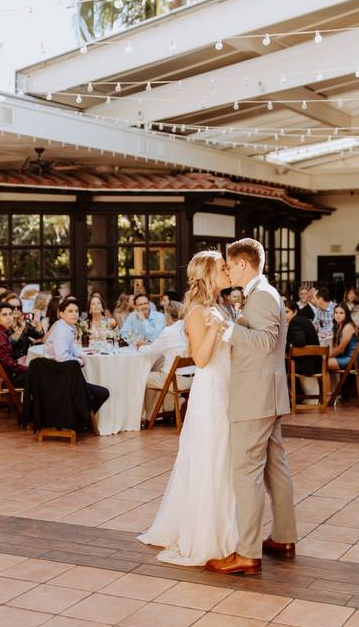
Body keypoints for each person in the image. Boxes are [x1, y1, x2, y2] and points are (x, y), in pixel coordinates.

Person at [137, 250, 239, 566]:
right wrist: (217, 329)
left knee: (224, 458)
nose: (228, 271)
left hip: (226, 386)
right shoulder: (197, 311)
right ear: (208, 274)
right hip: (211, 391)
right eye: (223, 268)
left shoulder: (217, 306)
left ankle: (228, 530)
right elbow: (202, 358)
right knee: (212, 457)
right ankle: (208, 535)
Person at [203, 238, 297, 576]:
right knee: (275, 469)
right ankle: (284, 537)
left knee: (246, 474)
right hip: (267, 395)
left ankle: (246, 553)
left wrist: (227, 328)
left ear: (242, 264)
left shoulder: (263, 296)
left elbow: (267, 342)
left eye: (229, 265)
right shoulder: (263, 295)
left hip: (255, 398)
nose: (227, 271)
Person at [43, 298, 110, 413]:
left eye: (76, 311)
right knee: (102, 393)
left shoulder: (67, 327)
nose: (75, 314)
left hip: (63, 374)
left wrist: (79, 355)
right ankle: (83, 419)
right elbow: (62, 357)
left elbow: (72, 347)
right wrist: (80, 361)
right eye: (70, 311)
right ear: (61, 314)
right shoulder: (61, 330)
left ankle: (81, 418)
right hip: (58, 377)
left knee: (98, 391)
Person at [140, 301, 190, 417]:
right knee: (160, 372)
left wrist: (140, 347)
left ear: (167, 315)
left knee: (142, 377)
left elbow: (152, 351)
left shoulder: (169, 331)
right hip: (192, 379)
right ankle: (168, 408)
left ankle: (147, 416)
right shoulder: (188, 328)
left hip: (176, 382)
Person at [0, 301, 28, 387]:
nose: (9, 318)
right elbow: (7, 363)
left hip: (0, 377)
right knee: (39, 373)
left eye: (10, 314)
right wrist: (27, 369)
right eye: (4, 315)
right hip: (6, 379)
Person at [284, 298, 322, 393]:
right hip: (314, 362)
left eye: (287, 312)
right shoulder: (303, 319)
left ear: (295, 311)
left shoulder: (295, 322)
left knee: (278, 365)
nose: (284, 316)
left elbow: (299, 341)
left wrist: (285, 348)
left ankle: (293, 397)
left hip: (307, 365)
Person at [327, 305, 359, 372]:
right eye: (336, 313)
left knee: (322, 363)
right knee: (320, 362)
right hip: (344, 356)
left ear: (346, 314)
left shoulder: (348, 326)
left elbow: (340, 349)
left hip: (352, 359)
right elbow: (336, 346)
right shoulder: (338, 325)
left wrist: (325, 356)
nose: (338, 315)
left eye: (341, 313)